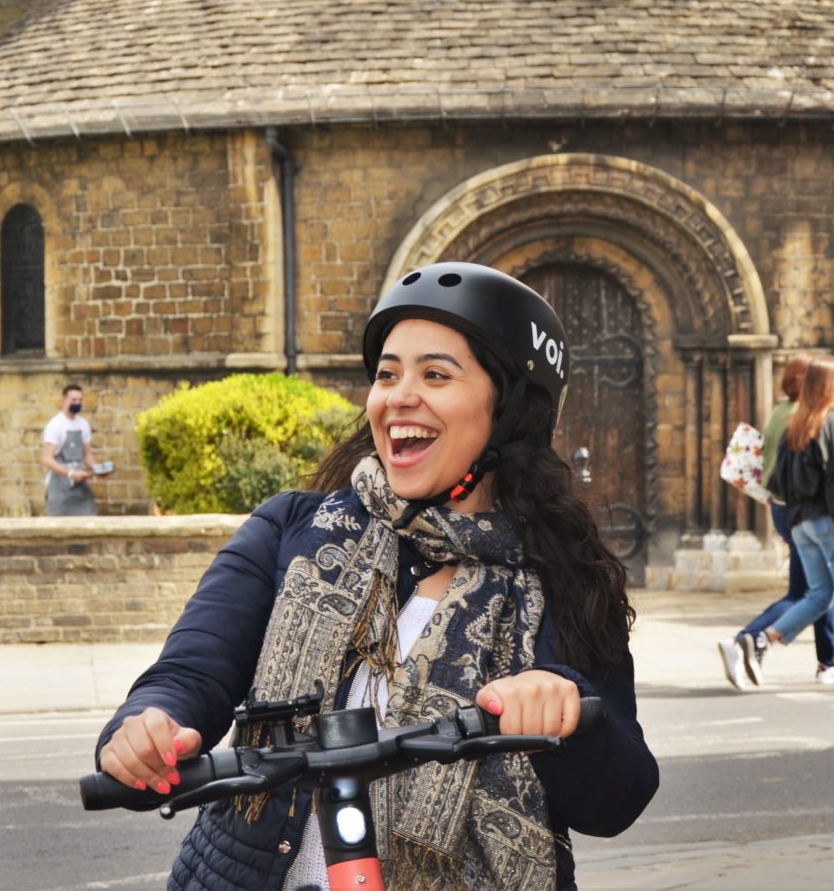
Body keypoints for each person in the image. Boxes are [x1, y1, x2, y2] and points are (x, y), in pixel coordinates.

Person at [97, 262, 659, 890]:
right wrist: (147, 724)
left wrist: (567, 710)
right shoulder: (292, 529)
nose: (398, 396)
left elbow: (620, 797)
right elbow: (191, 674)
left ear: (510, 411)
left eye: (436, 374)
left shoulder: (562, 577)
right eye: (388, 374)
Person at [740, 355, 834, 689]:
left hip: (800, 522)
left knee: (820, 594)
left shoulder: (795, 425)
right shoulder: (833, 423)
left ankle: (762, 639)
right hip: (829, 521)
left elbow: (778, 481)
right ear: (826, 386)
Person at [717, 352, 834, 690]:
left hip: (783, 509)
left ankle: (826, 662)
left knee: (813, 588)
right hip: (799, 511)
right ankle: (746, 639)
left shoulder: (780, 412)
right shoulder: (799, 416)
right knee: (814, 590)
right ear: (805, 381)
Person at [41, 384, 96, 516]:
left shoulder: (83, 424)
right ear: (64, 400)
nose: (77, 403)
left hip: (80, 485)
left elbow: (87, 455)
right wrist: (70, 473)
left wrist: (97, 469)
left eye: (80, 400)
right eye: (73, 400)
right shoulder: (55, 425)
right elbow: (47, 459)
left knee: (89, 520)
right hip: (59, 487)